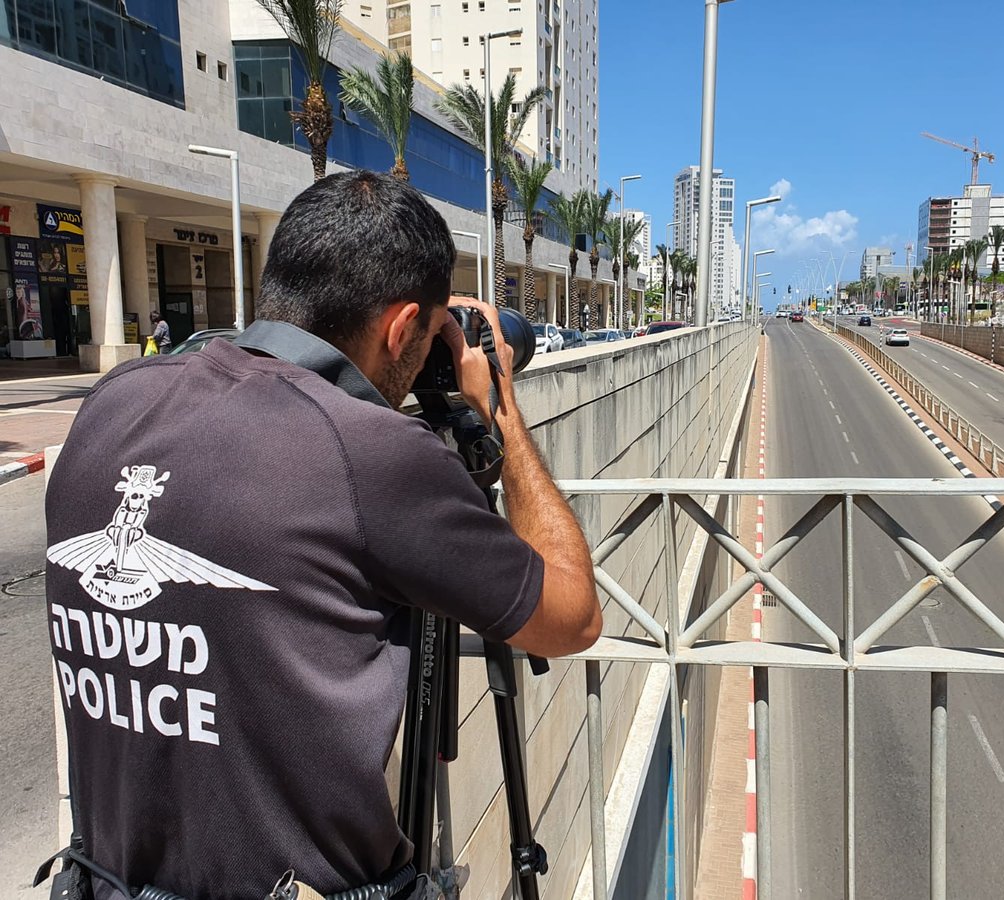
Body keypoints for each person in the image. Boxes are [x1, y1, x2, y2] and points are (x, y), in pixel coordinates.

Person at [43, 171, 601, 899]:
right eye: (431, 334)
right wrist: (499, 408)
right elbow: (572, 618)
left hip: (105, 882)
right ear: (404, 328)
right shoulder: (369, 454)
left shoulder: (114, 402)